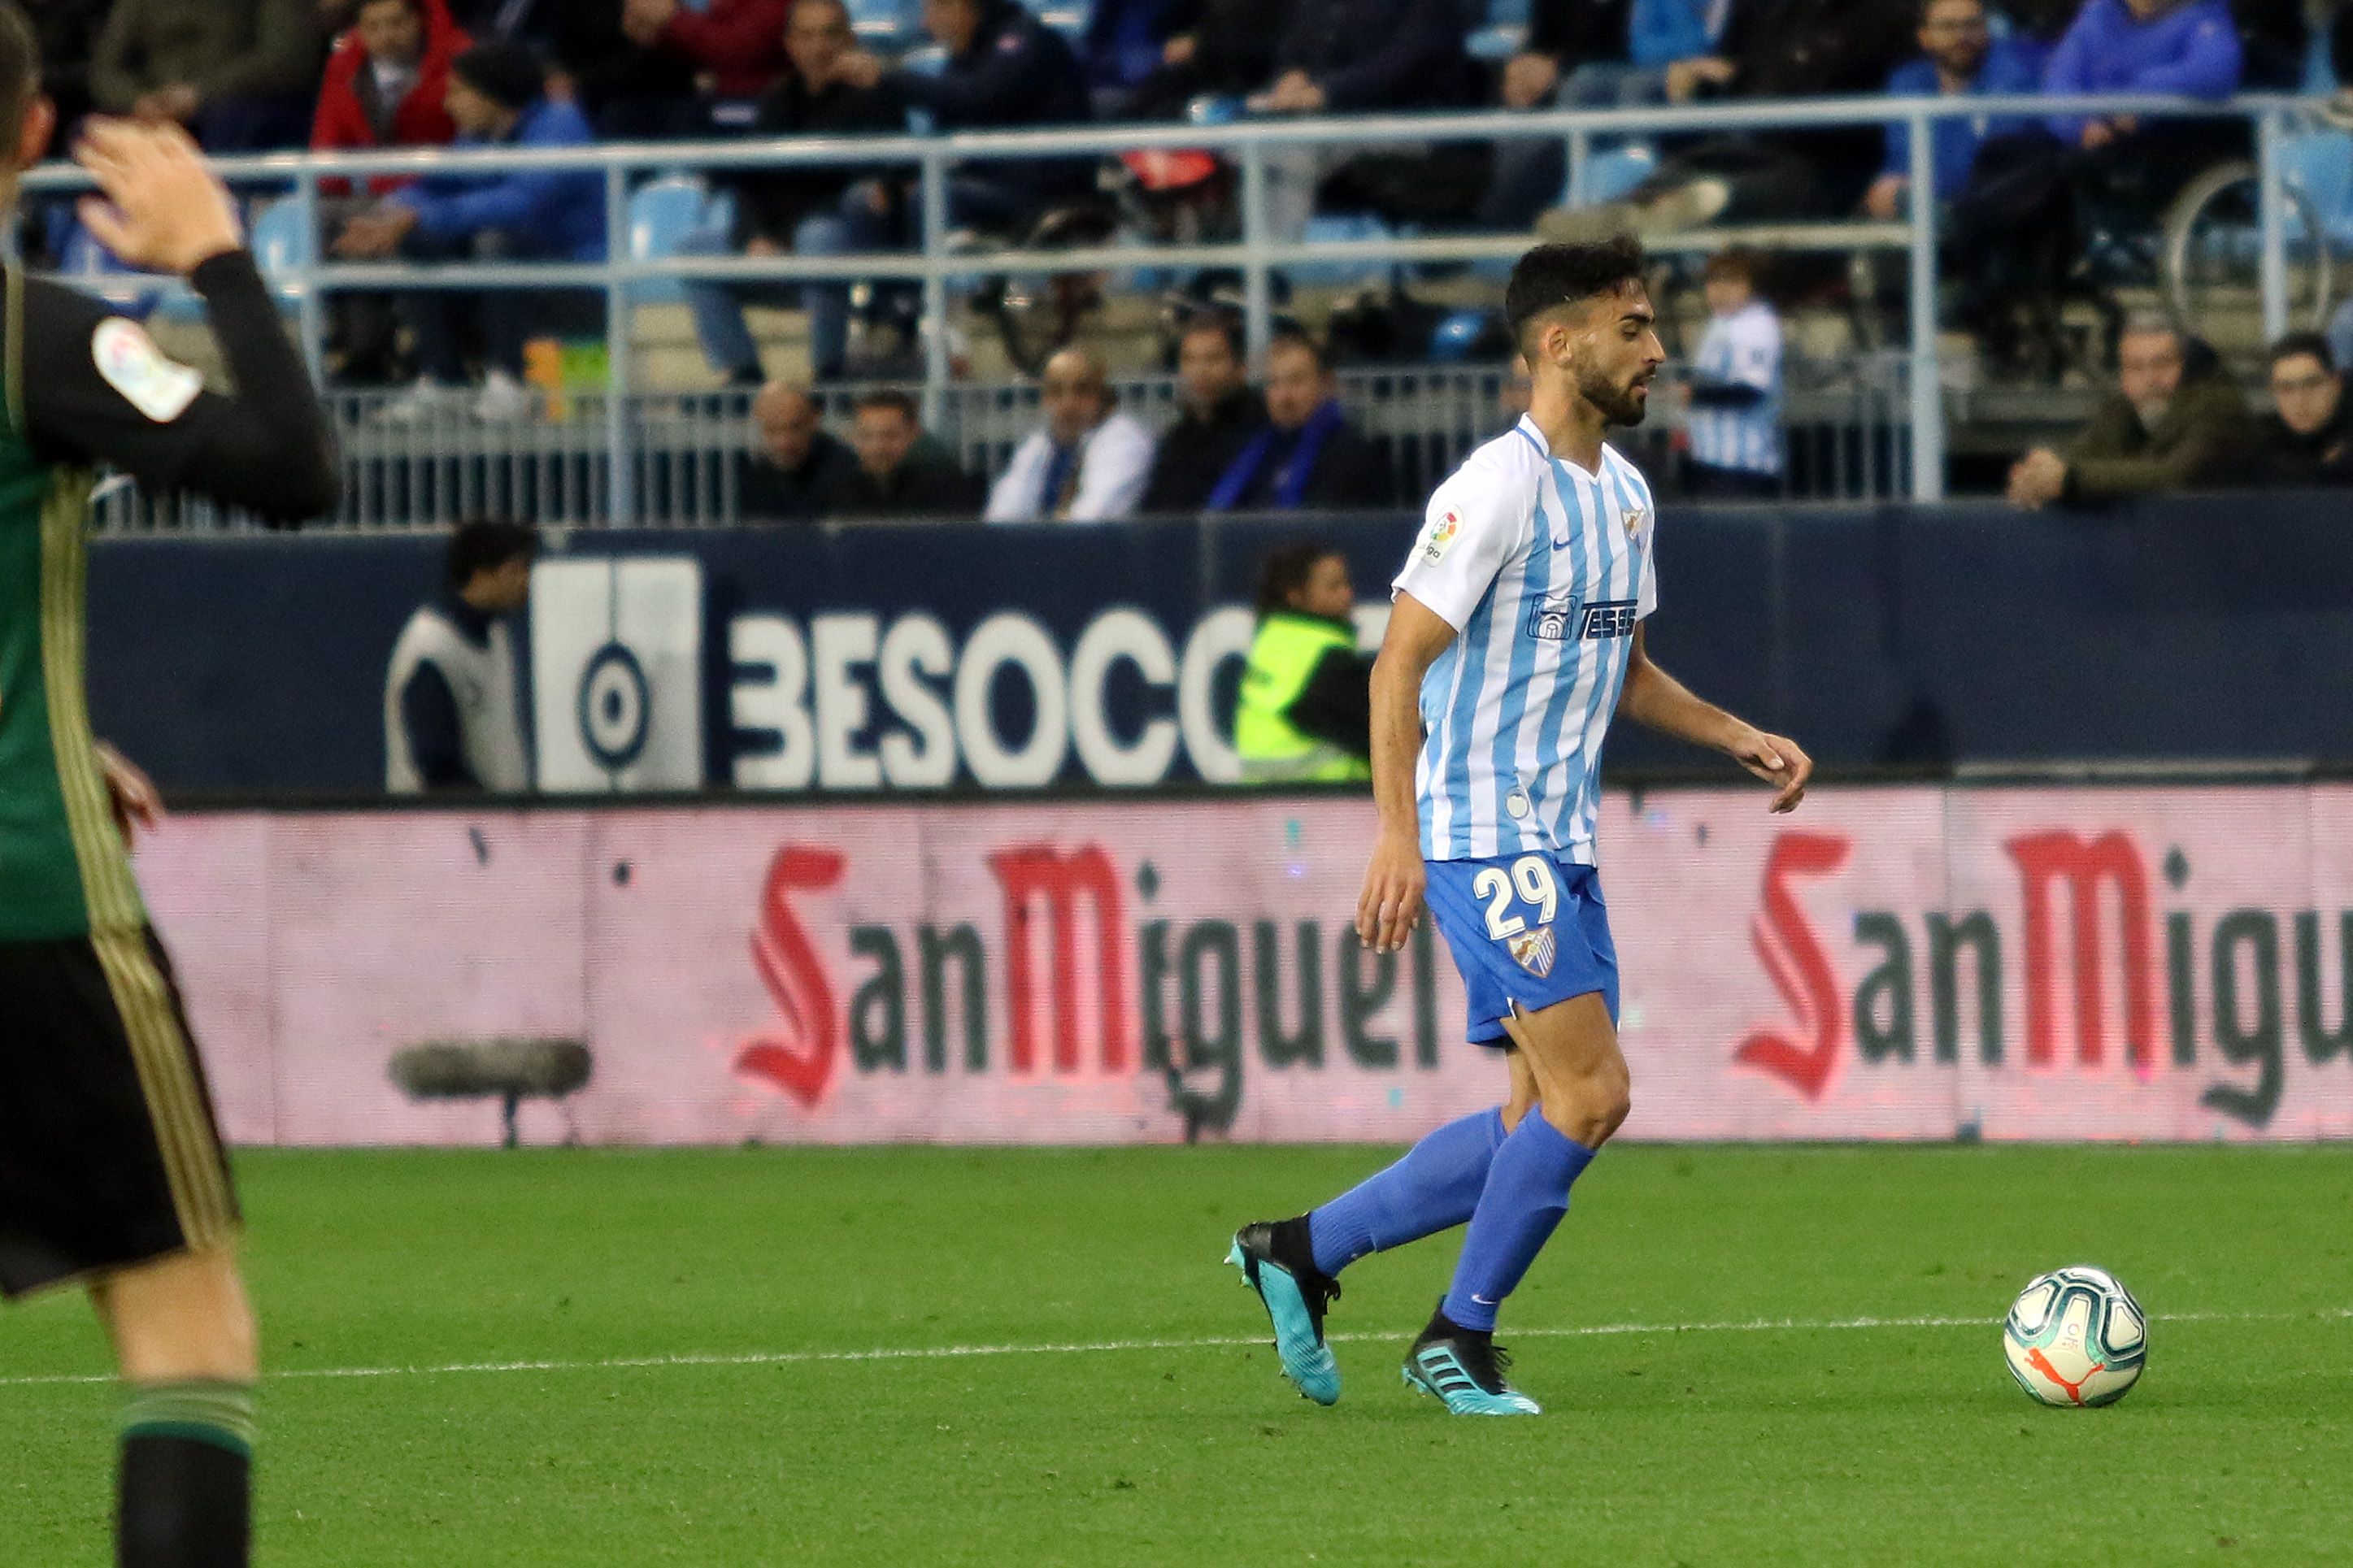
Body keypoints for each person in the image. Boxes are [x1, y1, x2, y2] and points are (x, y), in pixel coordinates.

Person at [1226, 237, 1812, 1416]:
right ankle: (1455, 1336)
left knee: (1531, 1115)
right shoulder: (1493, 487)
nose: (1656, 349)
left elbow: (1627, 672)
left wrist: (1735, 733)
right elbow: (1397, 666)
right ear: (1559, 344)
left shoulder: (1626, 494)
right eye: (1633, 327)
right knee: (1591, 1098)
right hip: (1484, 833)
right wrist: (1398, 835)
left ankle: (1296, 1249)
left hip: (1560, 839)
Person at [0, 31, 337, 1568]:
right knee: (180, 1305)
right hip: (31, 907)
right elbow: (288, 463)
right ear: (34, 130)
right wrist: (213, 254)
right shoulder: (41, 340)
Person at [335, 41, 605, 423]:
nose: (448, 103)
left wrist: (420, 217)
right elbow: (437, 184)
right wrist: (390, 213)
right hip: (504, 291)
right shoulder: (479, 136)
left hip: (579, 290)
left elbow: (522, 201)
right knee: (419, 240)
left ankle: (510, 383)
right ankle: (444, 381)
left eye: (459, 92)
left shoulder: (561, 127)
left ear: (495, 94)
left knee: (496, 237)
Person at [1538, 0, 1916, 239]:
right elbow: (1755, 77)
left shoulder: (1887, 17)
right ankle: (1618, 215)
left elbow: (1858, 102)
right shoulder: (1786, 12)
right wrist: (1711, 81)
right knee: (1695, 161)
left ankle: (1650, 220)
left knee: (1729, 190)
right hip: (1761, 143)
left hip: (1828, 169)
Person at [676, 0, 902, 388]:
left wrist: (792, 236)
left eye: (829, 34)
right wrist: (756, 236)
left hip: (847, 243)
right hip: (783, 242)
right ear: (791, 44)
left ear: (850, 38)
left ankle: (829, 371)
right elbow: (750, 179)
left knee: (818, 236)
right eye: (807, 35)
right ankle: (744, 373)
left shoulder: (876, 97)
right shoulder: (777, 98)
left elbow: (880, 184)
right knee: (694, 250)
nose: (818, 47)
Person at [311, 0, 471, 384]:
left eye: (397, 23)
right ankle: (362, 352)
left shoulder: (460, 58)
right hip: (367, 192)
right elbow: (327, 148)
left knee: (365, 221)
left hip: (439, 191)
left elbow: (464, 147)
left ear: (418, 21)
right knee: (322, 218)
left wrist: (388, 190)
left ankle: (373, 355)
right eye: (375, 26)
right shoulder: (344, 65)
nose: (387, 36)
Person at [2006, 315, 2254, 508]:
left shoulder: (2218, 406)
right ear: (2123, 375)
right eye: (2135, 367)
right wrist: (2038, 473)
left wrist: (2069, 479)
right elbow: (2083, 453)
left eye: (2162, 363)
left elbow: (2177, 475)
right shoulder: (2123, 407)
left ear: (2186, 366)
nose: (2150, 379)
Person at [384, 520, 534, 793]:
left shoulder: (497, 635)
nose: (526, 580)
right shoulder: (431, 649)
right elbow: (437, 767)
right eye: (516, 569)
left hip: (495, 825)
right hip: (437, 827)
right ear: (479, 575)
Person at [1859, 0, 2041, 221]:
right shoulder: (1907, 81)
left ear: (1986, 30)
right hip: (1922, 214)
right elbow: (1902, 160)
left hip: (1995, 216)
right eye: (1947, 26)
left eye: (1972, 25)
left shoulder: (2013, 77)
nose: (1961, 36)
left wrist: (1913, 192)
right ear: (1924, 37)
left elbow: (1995, 163)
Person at [90, 0, 326, 150]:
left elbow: (287, 58)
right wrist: (138, 102)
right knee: (89, 132)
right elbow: (105, 70)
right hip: (154, 108)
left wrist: (201, 95)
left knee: (230, 120)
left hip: (244, 106)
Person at [1205, 332, 1393, 512]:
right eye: (1274, 383)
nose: (1284, 396)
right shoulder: (1247, 448)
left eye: (1296, 381)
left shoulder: (1351, 453)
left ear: (1325, 384)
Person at [1233, 541, 1371, 780]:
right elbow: (1377, 731)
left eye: (1347, 584)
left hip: (1258, 800)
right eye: (1333, 587)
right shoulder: (1325, 655)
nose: (1347, 594)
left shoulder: (1271, 639)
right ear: (1295, 595)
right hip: (1323, 800)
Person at [984, 345, 1156, 523]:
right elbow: (1000, 518)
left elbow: (1092, 520)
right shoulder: (1036, 446)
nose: (1068, 404)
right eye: (1056, 391)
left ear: (1102, 395)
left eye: (1082, 390)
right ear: (1045, 400)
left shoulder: (1124, 440)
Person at [1682, 248, 1782, 499]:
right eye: (1714, 280)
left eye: (1732, 281)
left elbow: (1751, 391)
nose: (1720, 290)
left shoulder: (1757, 324)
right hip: (1709, 458)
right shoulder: (1719, 323)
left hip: (1744, 465)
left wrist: (1693, 395)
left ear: (1751, 285)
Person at [1140, 314, 1263, 514]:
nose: (1201, 370)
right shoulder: (1178, 438)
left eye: (1213, 359)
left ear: (1240, 367)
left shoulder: (1261, 431)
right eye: (1190, 359)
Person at [829, 388, 987, 517]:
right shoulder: (838, 492)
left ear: (914, 433)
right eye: (867, 436)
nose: (878, 446)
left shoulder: (948, 490)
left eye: (890, 435)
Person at [740, 380, 859, 520]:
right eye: (772, 430)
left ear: (813, 420)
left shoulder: (847, 470)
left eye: (794, 428)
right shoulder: (759, 475)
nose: (783, 442)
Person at [2255, 332, 2353, 487]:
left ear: (2336, 384)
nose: (2300, 400)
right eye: (2286, 388)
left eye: (2312, 384)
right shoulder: (2258, 459)